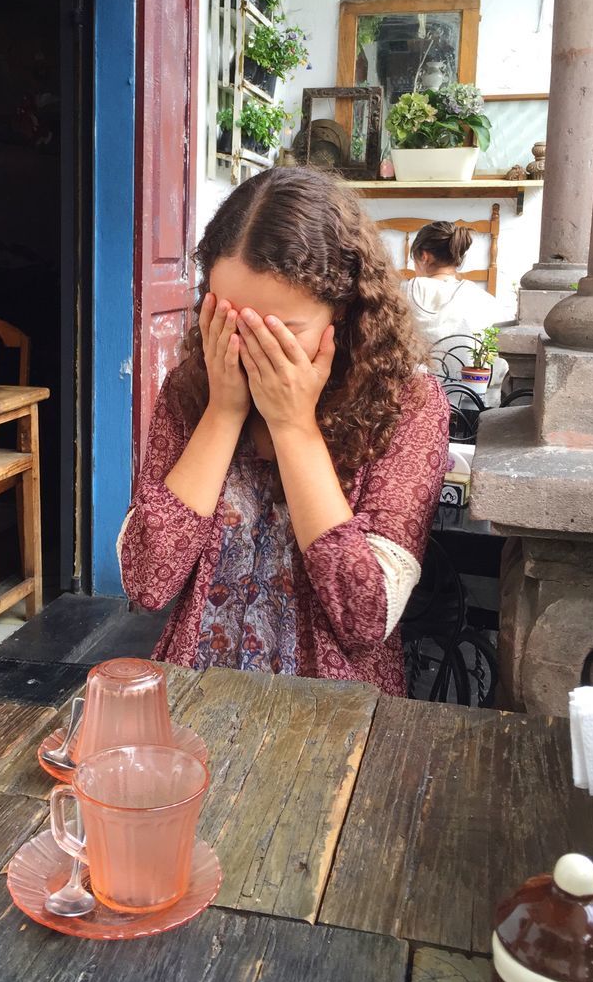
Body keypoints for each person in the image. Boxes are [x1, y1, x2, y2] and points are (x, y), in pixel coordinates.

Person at [118, 168, 449, 695]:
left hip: (333, 712)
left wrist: (294, 427)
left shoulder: (406, 402)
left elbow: (366, 619)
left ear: (342, 310)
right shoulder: (193, 388)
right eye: (231, 322)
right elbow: (148, 579)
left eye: (280, 332)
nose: (249, 349)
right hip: (197, 692)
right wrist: (223, 413)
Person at [403, 220, 509, 406]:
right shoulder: (485, 301)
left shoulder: (401, 293)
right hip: (470, 410)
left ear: (424, 256)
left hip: (413, 409)